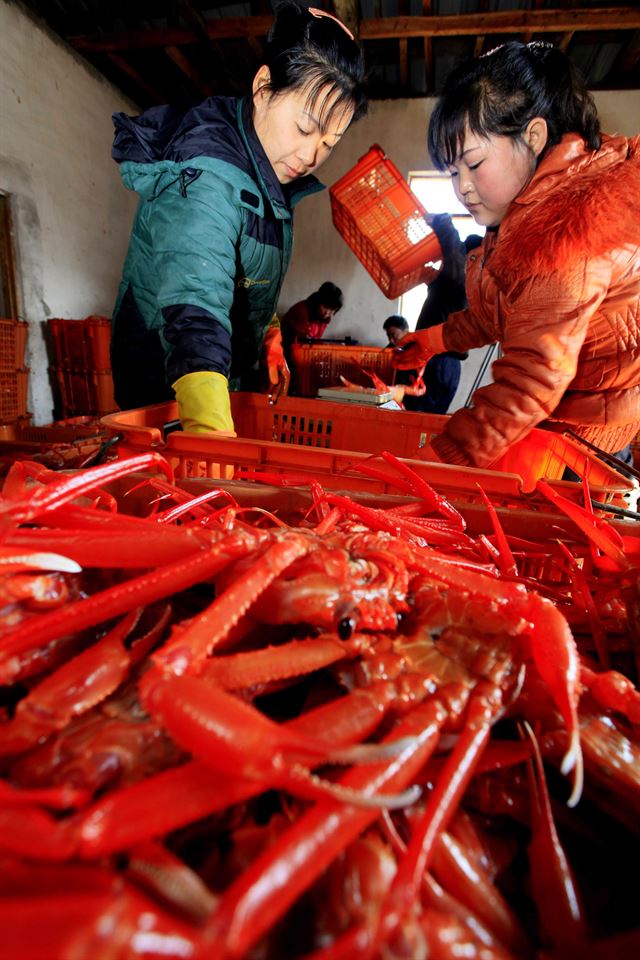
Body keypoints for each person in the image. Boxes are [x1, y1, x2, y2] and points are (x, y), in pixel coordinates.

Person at [110, 3, 367, 434]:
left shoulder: (267, 168)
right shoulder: (205, 173)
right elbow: (196, 310)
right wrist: (211, 433)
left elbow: (240, 272)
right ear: (264, 86)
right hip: (168, 391)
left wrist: (269, 335)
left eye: (329, 142)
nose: (310, 156)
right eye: (304, 129)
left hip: (218, 375)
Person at [393, 40, 640, 470]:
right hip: (561, 421)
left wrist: (433, 466)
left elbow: (531, 380)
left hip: (587, 437)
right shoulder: (519, 217)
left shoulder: (568, 227)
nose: (462, 187)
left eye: (473, 163)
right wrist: (431, 342)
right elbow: (499, 314)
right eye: (452, 173)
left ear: (534, 136)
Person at [281, 281, 343, 348]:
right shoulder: (302, 311)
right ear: (318, 301)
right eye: (325, 307)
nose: (327, 312)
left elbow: (313, 341)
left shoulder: (323, 318)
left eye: (332, 310)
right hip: (284, 350)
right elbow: (303, 341)